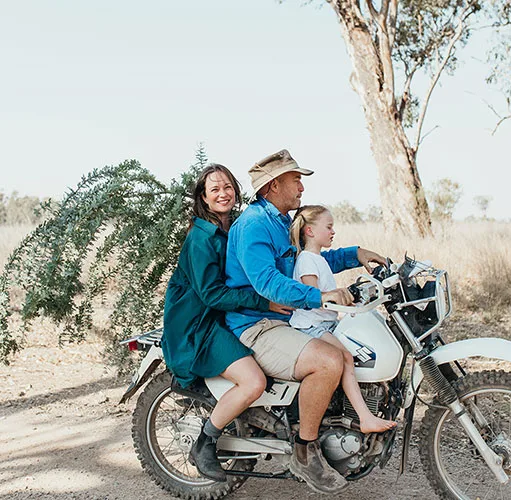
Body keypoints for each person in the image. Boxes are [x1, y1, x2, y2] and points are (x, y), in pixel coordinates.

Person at [225, 149, 386, 494]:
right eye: (295, 179)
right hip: (257, 325)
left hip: (283, 319)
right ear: (272, 186)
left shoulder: (280, 221)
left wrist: (355, 254)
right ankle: (304, 451)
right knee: (328, 363)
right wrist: (321, 297)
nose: (301, 186)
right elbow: (266, 282)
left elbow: (309, 260)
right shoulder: (254, 225)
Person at [162, 164, 290, 483]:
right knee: (253, 381)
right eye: (215, 189)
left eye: (228, 187)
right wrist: (265, 302)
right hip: (199, 324)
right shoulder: (200, 238)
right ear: (203, 198)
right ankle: (204, 444)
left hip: (226, 315)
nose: (223, 194)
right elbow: (212, 295)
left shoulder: (235, 226)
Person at [289, 204, 396, 434]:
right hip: (311, 325)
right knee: (346, 357)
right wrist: (344, 301)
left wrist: (355, 302)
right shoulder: (307, 260)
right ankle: (365, 417)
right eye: (328, 227)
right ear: (309, 231)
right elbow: (316, 298)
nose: (332, 232)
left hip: (324, 322)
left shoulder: (318, 259)